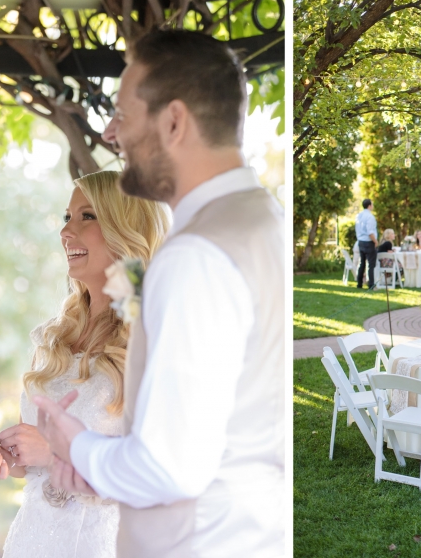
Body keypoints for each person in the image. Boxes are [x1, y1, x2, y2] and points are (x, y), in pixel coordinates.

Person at [32, 29, 285, 557]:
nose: (110, 132)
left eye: (123, 114)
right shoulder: (263, 219)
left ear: (173, 122)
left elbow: (170, 468)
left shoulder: (194, 256)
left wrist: (75, 446)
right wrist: (103, 474)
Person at [0, 171, 167, 558]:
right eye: (66, 217)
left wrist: (57, 452)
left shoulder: (155, 333)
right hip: (32, 541)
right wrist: (9, 457)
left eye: (87, 216)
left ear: (126, 228)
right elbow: (38, 461)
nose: (66, 232)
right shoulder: (53, 336)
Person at [355, 198, 378, 289]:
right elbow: (370, 232)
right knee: (371, 264)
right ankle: (371, 284)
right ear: (369, 205)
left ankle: (359, 283)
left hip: (360, 241)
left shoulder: (359, 216)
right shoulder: (370, 217)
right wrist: (375, 241)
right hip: (368, 242)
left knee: (362, 263)